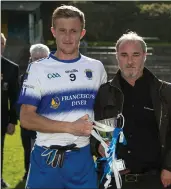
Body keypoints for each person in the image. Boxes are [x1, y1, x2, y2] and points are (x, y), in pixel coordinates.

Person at [18, 5, 107, 188]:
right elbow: (26, 118)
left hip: (82, 160)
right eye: (62, 31)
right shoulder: (38, 68)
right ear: (53, 32)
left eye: (73, 31)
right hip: (46, 158)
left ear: (82, 33)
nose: (68, 37)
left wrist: (104, 141)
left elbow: (104, 111)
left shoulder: (97, 68)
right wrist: (70, 127)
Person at [91, 31, 171, 189]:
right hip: (115, 180)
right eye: (124, 55)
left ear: (144, 55)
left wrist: (170, 168)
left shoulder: (165, 91)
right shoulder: (105, 92)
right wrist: (97, 146)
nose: (130, 61)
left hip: (155, 179)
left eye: (135, 55)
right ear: (117, 56)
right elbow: (92, 129)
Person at [19, 43, 50, 180]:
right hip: (28, 124)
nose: (37, 62)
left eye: (41, 59)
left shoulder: (57, 79)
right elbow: (17, 101)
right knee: (29, 150)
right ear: (30, 59)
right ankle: (29, 173)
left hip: (49, 125)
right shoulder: (23, 79)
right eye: (35, 58)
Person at [1, 33, 19, 188]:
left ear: (4, 45)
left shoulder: (11, 68)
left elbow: (14, 98)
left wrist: (12, 121)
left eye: (0, 43)